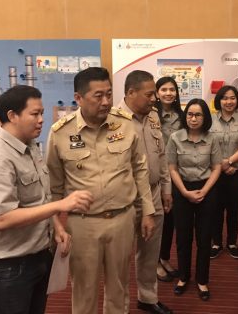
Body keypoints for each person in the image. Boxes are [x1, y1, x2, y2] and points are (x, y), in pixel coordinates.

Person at [0, 85, 93, 314]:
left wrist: (56, 226)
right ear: (12, 116)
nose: (41, 120)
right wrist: (61, 205)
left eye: (42, 113)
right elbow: (2, 219)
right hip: (7, 266)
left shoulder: (30, 145)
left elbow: (39, 198)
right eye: (35, 114)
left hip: (37, 254)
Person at [46, 67, 155, 314]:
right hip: (83, 224)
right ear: (78, 98)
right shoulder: (61, 133)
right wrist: (55, 225)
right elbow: (53, 186)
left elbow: (140, 169)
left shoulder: (124, 124)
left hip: (122, 220)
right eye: (98, 96)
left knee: (119, 287)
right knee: (84, 289)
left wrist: (147, 210)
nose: (106, 101)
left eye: (108, 94)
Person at [116, 71, 173, 314]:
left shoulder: (153, 116)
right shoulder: (112, 120)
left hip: (154, 193)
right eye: (149, 94)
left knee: (150, 252)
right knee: (120, 257)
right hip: (126, 199)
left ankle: (147, 298)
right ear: (131, 92)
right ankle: (120, 306)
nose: (154, 99)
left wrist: (166, 188)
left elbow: (161, 155)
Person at [166, 99, 222, 301]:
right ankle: (183, 277)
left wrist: (204, 191)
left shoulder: (212, 139)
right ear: (185, 116)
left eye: (198, 115)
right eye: (190, 114)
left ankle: (202, 280)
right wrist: (184, 192)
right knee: (183, 237)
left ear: (205, 117)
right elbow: (172, 168)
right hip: (182, 190)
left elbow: (216, 167)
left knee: (204, 237)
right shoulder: (175, 138)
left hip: (207, 189)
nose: (193, 118)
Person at [209, 85, 238, 259]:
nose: (229, 101)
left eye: (232, 98)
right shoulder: (210, 120)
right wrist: (220, 165)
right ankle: (216, 243)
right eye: (225, 98)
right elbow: (206, 143)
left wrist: (229, 162)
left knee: (234, 209)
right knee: (216, 209)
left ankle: (232, 243)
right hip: (215, 172)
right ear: (219, 100)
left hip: (237, 172)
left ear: (237, 100)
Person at [154, 77, 184, 283]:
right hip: (156, 175)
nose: (168, 93)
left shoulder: (182, 116)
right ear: (157, 93)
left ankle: (164, 257)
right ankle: (154, 261)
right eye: (163, 89)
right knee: (157, 220)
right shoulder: (151, 116)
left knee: (170, 219)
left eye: (172, 89)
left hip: (175, 174)